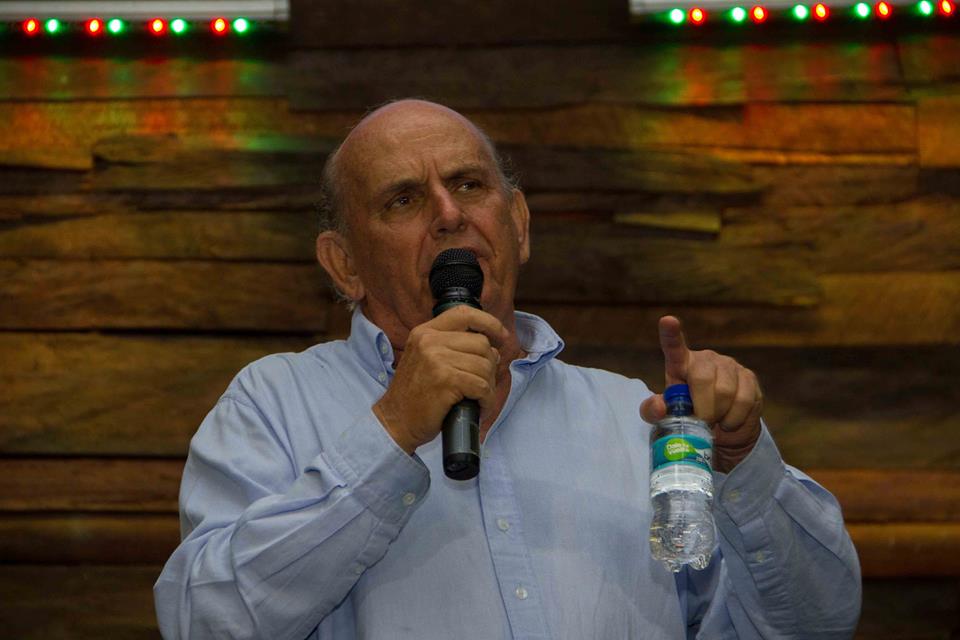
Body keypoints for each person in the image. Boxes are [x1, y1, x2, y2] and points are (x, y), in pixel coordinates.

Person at [154, 99, 861, 639]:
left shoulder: (635, 419)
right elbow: (202, 622)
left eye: (468, 185)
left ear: (518, 224)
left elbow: (818, 625)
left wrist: (743, 462)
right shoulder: (272, 403)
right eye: (404, 199)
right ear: (344, 264)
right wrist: (390, 432)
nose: (448, 215)